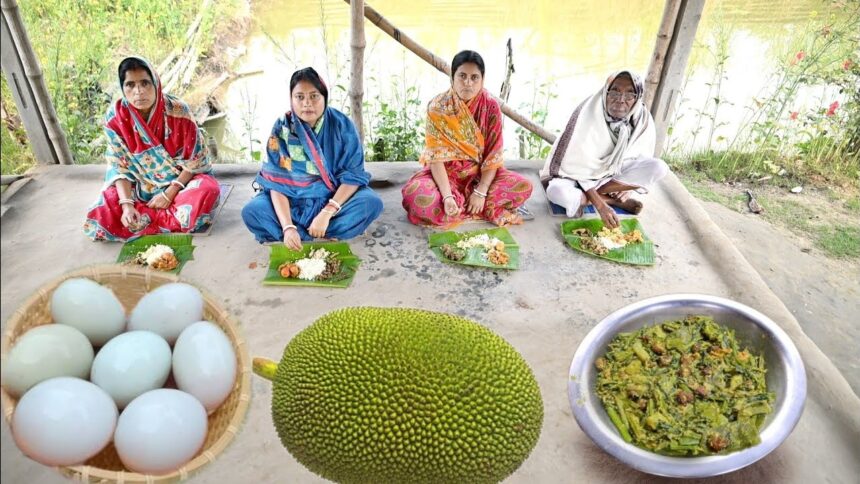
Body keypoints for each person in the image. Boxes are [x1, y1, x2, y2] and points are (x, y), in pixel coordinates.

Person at [242, 67, 382, 249]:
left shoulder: (342, 125)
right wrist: (287, 227)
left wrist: (327, 212)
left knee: (371, 203)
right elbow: (276, 183)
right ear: (291, 100)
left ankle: (313, 230)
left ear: (324, 97)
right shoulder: (281, 129)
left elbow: (353, 176)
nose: (307, 103)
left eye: (314, 96)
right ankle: (299, 233)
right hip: (292, 202)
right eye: (300, 97)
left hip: (332, 199)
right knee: (252, 212)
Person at [83, 56, 220, 241]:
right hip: (139, 185)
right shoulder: (116, 118)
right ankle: (164, 219)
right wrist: (126, 205)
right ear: (122, 88)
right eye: (130, 85)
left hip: (181, 183)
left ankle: (146, 219)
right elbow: (119, 166)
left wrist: (169, 193)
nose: (138, 92)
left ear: (156, 83)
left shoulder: (178, 111)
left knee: (208, 190)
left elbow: (196, 161)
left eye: (145, 83)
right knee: (104, 208)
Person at [401, 50, 533, 228]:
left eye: (474, 77)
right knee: (417, 196)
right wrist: (447, 196)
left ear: (482, 79)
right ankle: (469, 206)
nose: (468, 83)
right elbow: (435, 157)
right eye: (462, 76)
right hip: (446, 176)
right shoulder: (437, 107)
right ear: (452, 77)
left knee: (523, 186)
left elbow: (493, 155)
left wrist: (481, 191)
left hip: (480, 174)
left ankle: (472, 204)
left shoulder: (490, 106)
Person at [540, 70, 669, 229]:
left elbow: (639, 159)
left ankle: (602, 195)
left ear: (637, 98)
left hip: (611, 175)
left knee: (659, 167)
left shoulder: (641, 118)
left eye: (630, 94)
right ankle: (612, 200)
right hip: (574, 175)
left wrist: (628, 188)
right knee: (556, 191)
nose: (621, 100)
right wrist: (601, 205)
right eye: (614, 92)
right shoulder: (589, 113)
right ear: (605, 92)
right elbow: (578, 167)